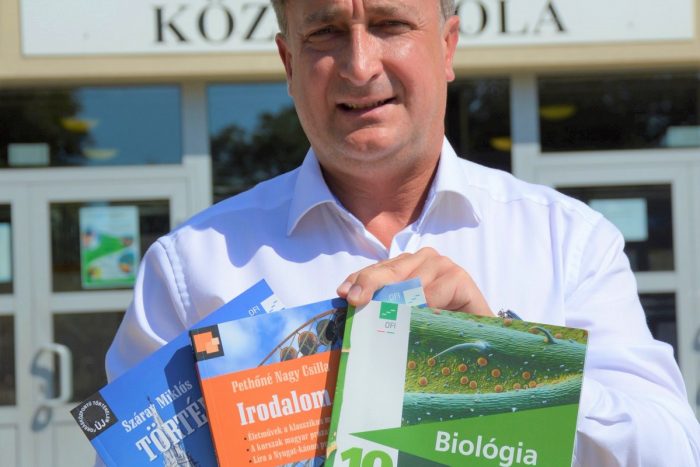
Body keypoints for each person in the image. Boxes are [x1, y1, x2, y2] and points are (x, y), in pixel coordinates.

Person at [106, 0, 700, 465]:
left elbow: (670, 450)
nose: (360, 66)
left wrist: (503, 360)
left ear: (447, 46)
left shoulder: (566, 242)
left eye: (390, 25)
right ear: (288, 63)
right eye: (325, 33)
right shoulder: (190, 267)